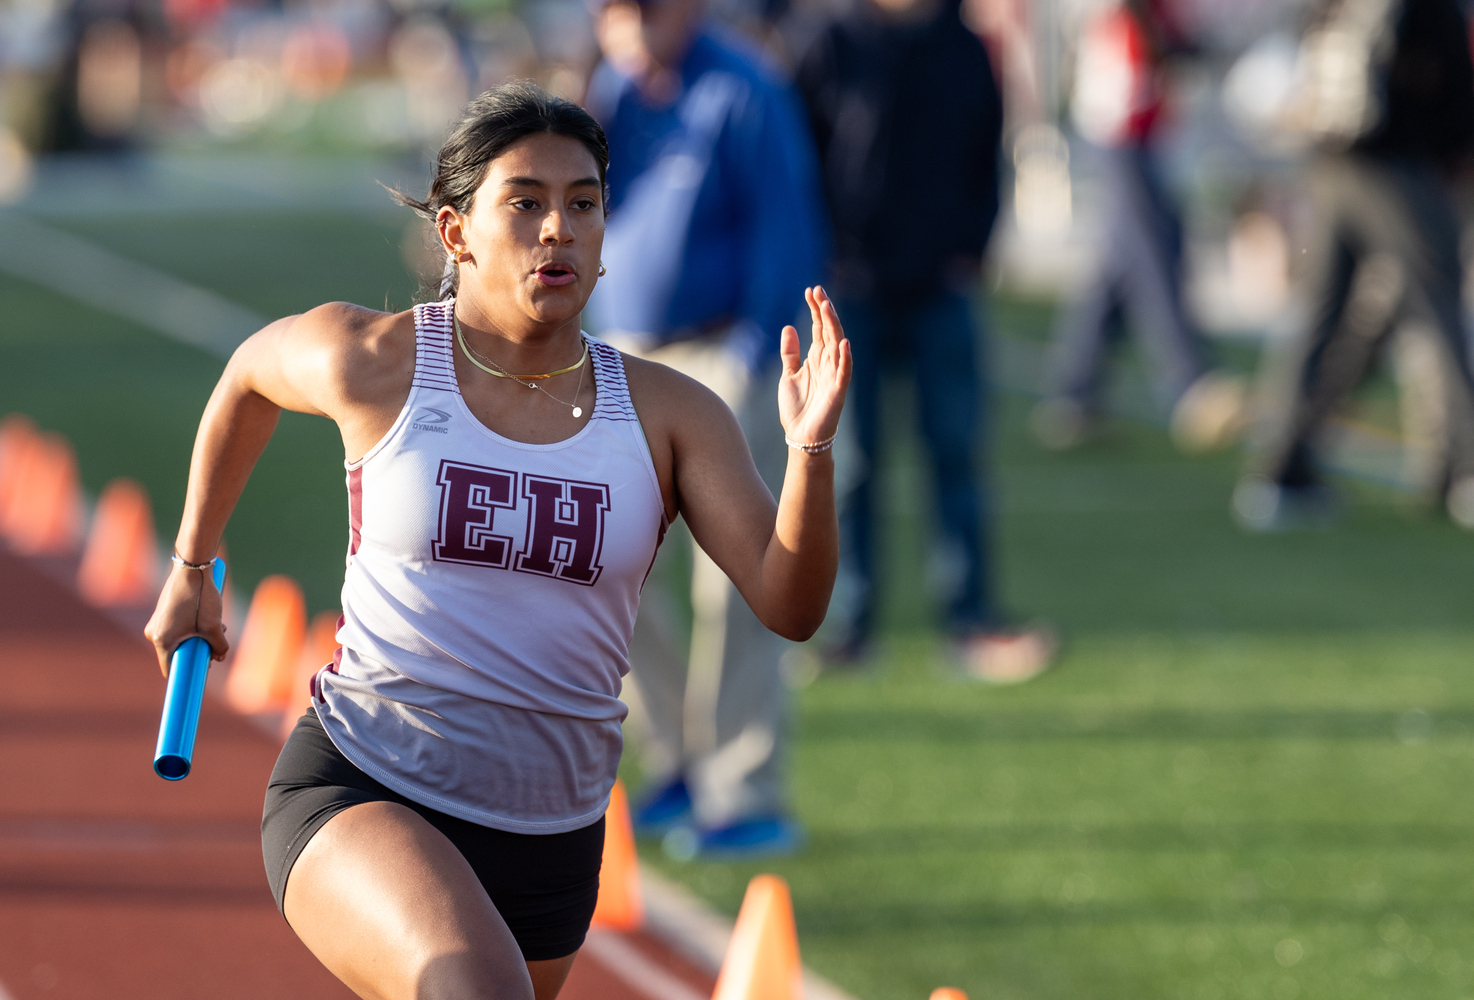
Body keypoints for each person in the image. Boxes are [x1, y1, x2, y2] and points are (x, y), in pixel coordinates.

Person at [142, 82, 850, 1000]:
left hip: (553, 842)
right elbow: (246, 379)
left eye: (583, 203)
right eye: (525, 202)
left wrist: (811, 451)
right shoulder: (378, 361)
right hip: (368, 783)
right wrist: (193, 567)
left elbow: (790, 605)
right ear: (455, 231)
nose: (558, 228)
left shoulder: (672, 413)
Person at [584, 0, 826, 854]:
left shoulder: (744, 88)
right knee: (612, 571)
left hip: (723, 358)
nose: (629, 23)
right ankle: (679, 763)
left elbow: (788, 227)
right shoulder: (612, 88)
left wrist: (759, 354)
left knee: (739, 584)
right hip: (621, 354)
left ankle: (744, 787)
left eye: (645, 8)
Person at [795, 0, 1052, 679]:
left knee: (958, 457)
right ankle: (849, 627)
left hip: (941, 287)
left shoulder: (964, 44)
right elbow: (801, 155)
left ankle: (970, 620)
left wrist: (972, 248)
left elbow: (986, 152)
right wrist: (822, 255)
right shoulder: (828, 42)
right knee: (848, 466)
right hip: (849, 291)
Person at [1234, 0, 1474, 530]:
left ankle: (1280, 471)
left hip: (1330, 165)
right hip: (1397, 167)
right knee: (1440, 312)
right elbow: (1452, 92)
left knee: (1320, 320)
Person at [1031, 0, 1244, 454]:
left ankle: (1074, 391)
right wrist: (1183, 52)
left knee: (1118, 267)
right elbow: (1149, 34)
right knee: (1155, 254)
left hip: (1142, 128)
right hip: (1119, 125)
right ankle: (1191, 382)